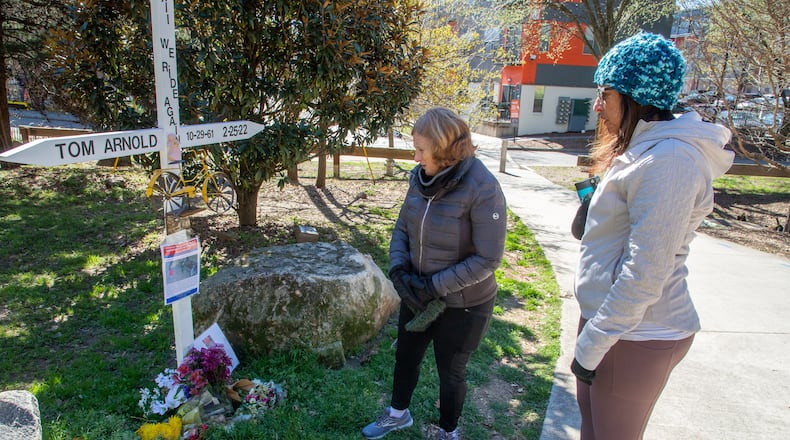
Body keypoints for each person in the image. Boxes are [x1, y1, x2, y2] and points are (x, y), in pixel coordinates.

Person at [571, 33, 734, 439]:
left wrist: (592, 343)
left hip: (636, 333)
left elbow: (645, 271)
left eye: (605, 93)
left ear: (635, 97)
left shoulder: (670, 161)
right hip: (611, 326)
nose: (597, 105)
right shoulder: (645, 149)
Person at [361, 107, 507, 440]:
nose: (415, 157)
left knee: (451, 371)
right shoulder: (420, 179)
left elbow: (488, 258)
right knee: (405, 356)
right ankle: (398, 414)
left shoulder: (483, 187)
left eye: (421, 150)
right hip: (416, 290)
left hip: (463, 303)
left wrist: (434, 286)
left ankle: (448, 432)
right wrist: (399, 270)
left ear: (441, 149)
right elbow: (402, 228)